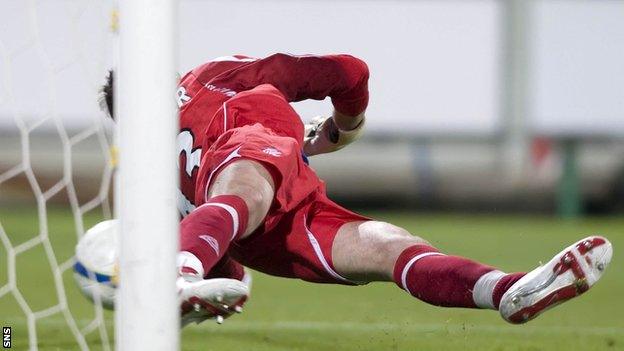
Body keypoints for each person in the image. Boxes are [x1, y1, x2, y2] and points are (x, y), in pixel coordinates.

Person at [100, 53, 612, 327]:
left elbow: (227, 268)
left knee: (386, 246)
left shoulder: (157, 180)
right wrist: (347, 127)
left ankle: (507, 291)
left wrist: (209, 292)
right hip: (256, 168)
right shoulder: (215, 78)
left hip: (271, 222)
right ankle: (176, 274)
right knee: (252, 187)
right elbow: (348, 71)